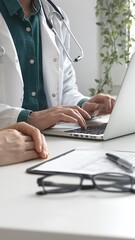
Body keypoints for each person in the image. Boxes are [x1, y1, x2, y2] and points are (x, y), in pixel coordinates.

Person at [0, 0, 115, 130]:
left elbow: (64, 89)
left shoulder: (56, 17)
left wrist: (84, 105)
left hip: (51, 136)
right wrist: (29, 118)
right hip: (7, 140)